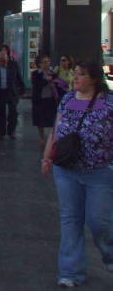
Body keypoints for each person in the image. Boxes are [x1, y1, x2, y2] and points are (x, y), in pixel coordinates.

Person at [41, 62, 113, 287]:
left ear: (94, 78)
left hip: (99, 170)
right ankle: (71, 271)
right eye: (74, 75)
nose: (75, 79)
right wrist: (46, 157)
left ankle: (109, 253)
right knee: (70, 219)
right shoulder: (67, 99)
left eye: (81, 75)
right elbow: (56, 129)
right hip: (66, 169)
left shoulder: (109, 102)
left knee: (99, 220)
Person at [0, 50, 25, 138]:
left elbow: (19, 78)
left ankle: (11, 131)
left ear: (7, 58)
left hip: (11, 92)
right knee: (0, 112)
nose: (2, 63)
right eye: (0, 61)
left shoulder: (14, 65)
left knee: (13, 112)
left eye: (4, 61)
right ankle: (1, 132)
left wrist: (22, 90)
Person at [31, 54, 58, 145]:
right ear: (39, 64)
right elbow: (37, 85)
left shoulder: (52, 73)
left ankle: (51, 137)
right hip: (39, 99)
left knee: (51, 119)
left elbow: (57, 84)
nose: (47, 64)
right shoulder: (35, 74)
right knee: (40, 119)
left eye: (48, 62)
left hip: (50, 99)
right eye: (44, 62)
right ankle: (42, 137)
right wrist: (46, 80)